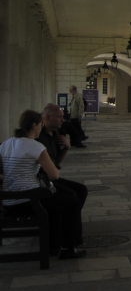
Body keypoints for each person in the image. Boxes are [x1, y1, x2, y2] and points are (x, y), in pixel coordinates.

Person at [1, 109, 86, 258]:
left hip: (8, 200)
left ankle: (55, 243)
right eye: (40, 124)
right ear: (35, 125)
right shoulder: (35, 146)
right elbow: (54, 174)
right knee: (70, 200)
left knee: (64, 197)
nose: (41, 127)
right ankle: (68, 247)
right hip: (28, 199)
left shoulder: (6, 143)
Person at [37, 104, 89, 246]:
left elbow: (56, 163)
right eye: (59, 117)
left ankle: (68, 228)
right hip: (40, 182)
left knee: (81, 190)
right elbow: (53, 172)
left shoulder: (54, 134)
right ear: (47, 118)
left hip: (48, 178)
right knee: (70, 197)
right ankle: (69, 241)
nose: (62, 120)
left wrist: (66, 148)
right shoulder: (39, 137)